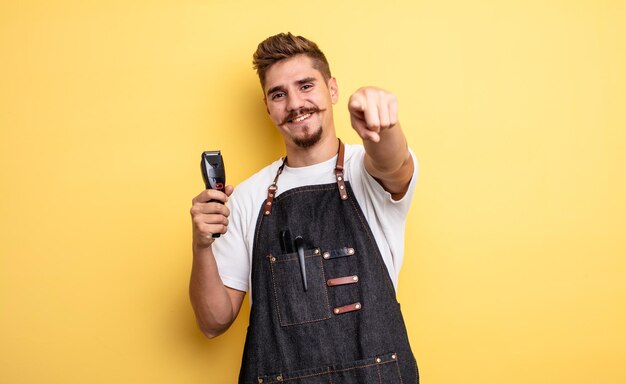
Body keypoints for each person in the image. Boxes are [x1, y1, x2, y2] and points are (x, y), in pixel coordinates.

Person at [189, 32, 419, 383]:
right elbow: (212, 322)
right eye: (279, 94)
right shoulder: (248, 198)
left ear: (333, 90)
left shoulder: (366, 170)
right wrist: (201, 243)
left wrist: (382, 126)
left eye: (306, 85)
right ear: (268, 107)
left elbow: (393, 164)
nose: (295, 103)